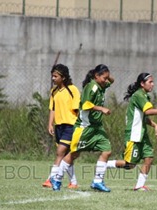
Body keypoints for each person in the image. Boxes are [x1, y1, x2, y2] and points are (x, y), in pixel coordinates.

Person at [49, 64, 115, 192]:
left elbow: (112, 81)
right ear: (96, 76)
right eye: (104, 78)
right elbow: (85, 105)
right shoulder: (91, 87)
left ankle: (97, 181)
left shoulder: (102, 84)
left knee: (106, 151)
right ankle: (56, 178)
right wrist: (101, 108)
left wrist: (106, 75)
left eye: (107, 78)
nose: (106, 80)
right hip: (85, 127)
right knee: (74, 154)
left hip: (96, 127)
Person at [106, 73, 157, 191]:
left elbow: (143, 115)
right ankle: (103, 165)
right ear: (142, 84)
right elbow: (148, 111)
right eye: (150, 82)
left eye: (153, 82)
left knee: (149, 157)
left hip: (142, 133)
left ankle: (139, 186)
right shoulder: (138, 95)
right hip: (134, 133)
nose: (153, 84)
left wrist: (153, 124)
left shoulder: (144, 96)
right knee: (130, 165)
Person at [42, 64, 81, 189]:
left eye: (55, 76)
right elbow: (52, 109)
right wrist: (50, 124)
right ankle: (73, 182)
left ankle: (51, 179)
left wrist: (80, 126)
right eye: (52, 76)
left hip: (71, 126)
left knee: (60, 153)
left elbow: (77, 109)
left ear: (63, 77)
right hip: (59, 126)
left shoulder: (72, 89)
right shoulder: (54, 91)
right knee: (66, 156)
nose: (53, 78)